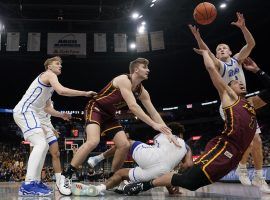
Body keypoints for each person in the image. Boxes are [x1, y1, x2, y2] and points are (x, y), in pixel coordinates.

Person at [122, 48, 270, 195]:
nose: (240, 83)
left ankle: (147, 184)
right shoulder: (230, 98)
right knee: (189, 179)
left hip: (236, 155)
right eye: (235, 82)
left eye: (240, 81)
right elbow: (212, 69)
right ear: (229, 88)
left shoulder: (251, 103)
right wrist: (206, 53)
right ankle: (145, 185)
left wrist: (257, 70)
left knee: (192, 184)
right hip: (224, 148)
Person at [62, 58, 175, 189]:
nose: (148, 70)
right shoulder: (123, 80)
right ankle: (66, 176)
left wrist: (168, 133)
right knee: (93, 141)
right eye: (145, 67)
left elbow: (154, 113)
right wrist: (154, 125)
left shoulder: (142, 91)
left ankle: (113, 178)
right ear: (136, 69)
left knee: (124, 144)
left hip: (109, 115)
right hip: (96, 108)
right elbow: (133, 106)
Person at [188, 13, 269, 192]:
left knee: (256, 139)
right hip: (229, 105)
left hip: (244, 103)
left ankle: (258, 176)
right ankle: (239, 167)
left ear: (231, 52)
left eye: (225, 47)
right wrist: (198, 37)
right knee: (247, 139)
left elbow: (251, 44)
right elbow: (206, 52)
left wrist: (242, 27)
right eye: (219, 49)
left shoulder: (238, 60)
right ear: (217, 54)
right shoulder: (218, 64)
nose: (222, 49)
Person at [13, 56, 96, 196]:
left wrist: (61, 115)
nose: (60, 66)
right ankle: (27, 184)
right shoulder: (49, 75)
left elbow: (47, 108)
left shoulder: (49, 86)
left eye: (61, 64)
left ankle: (36, 181)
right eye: (57, 64)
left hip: (30, 112)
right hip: (25, 111)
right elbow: (62, 91)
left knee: (44, 145)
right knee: (40, 144)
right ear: (49, 67)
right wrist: (84, 93)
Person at [70, 122, 193, 196]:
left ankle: (98, 160)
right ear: (181, 134)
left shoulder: (163, 134)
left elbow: (159, 157)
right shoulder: (186, 147)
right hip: (161, 172)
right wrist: (174, 181)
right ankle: (100, 188)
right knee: (124, 174)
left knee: (125, 143)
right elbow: (188, 164)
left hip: (148, 157)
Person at [29, 99, 72, 195]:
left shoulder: (50, 102)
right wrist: (39, 127)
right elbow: (31, 115)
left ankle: (59, 182)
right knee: (36, 157)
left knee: (56, 153)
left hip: (47, 128)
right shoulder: (36, 98)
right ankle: (34, 182)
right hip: (35, 127)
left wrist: (53, 129)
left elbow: (47, 119)